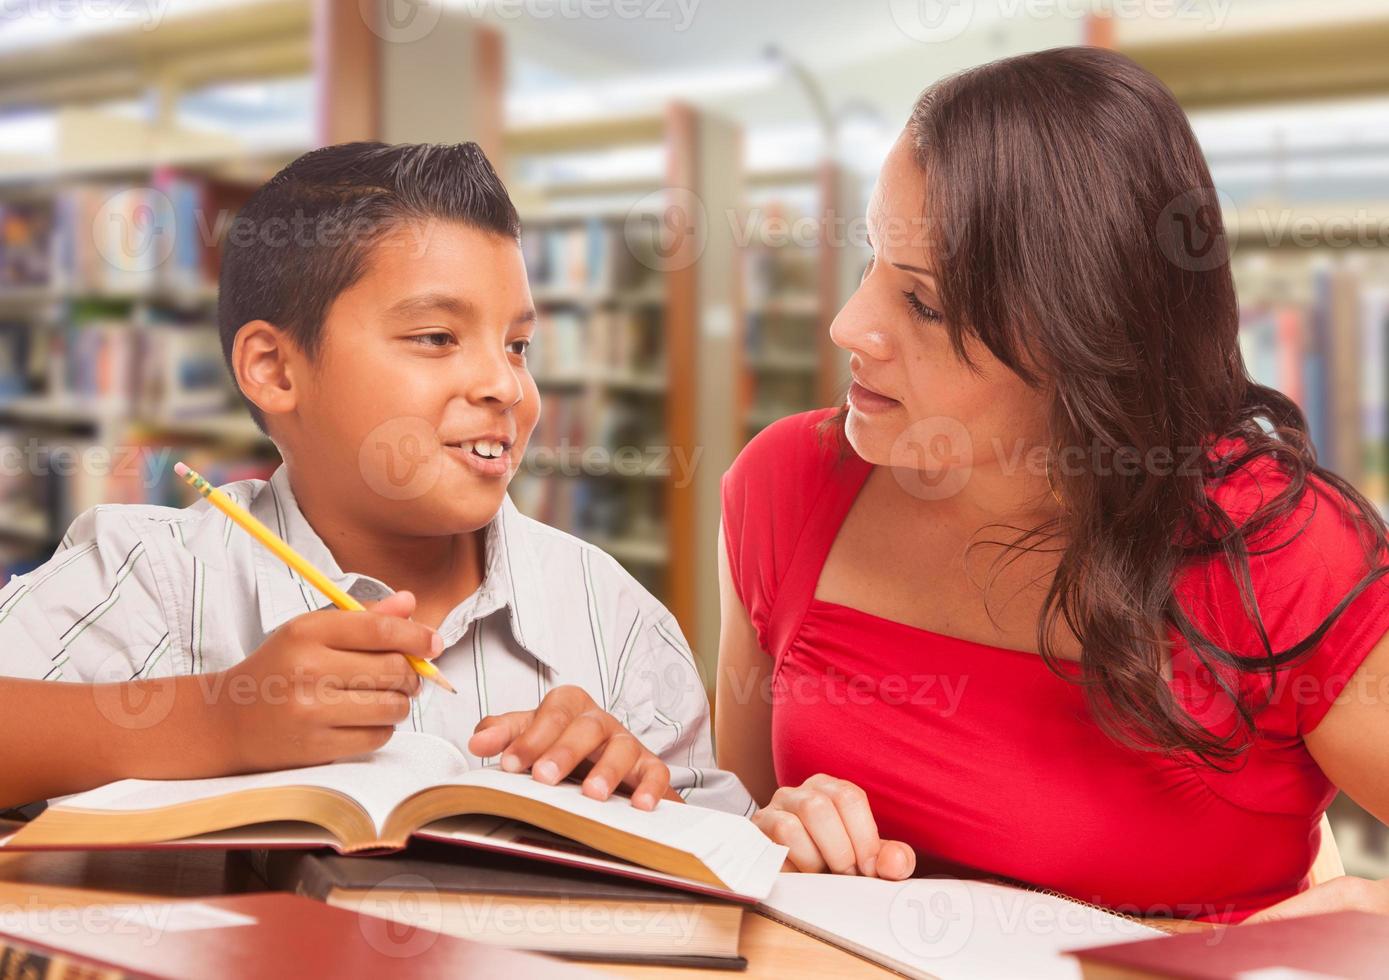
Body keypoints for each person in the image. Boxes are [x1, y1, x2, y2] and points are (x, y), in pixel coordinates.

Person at [716, 46, 1389, 923]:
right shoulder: (787, 485)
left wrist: (1354, 921)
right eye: (870, 263)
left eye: (923, 305)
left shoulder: (1276, 548)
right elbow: (726, 847)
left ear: (1084, 343)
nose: (850, 325)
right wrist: (770, 836)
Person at [0, 142, 747, 818]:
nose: (505, 386)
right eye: (435, 338)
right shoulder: (153, 575)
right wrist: (216, 719)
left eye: (518, 345)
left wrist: (630, 794)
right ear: (274, 370)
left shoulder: (616, 620)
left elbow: (724, 862)